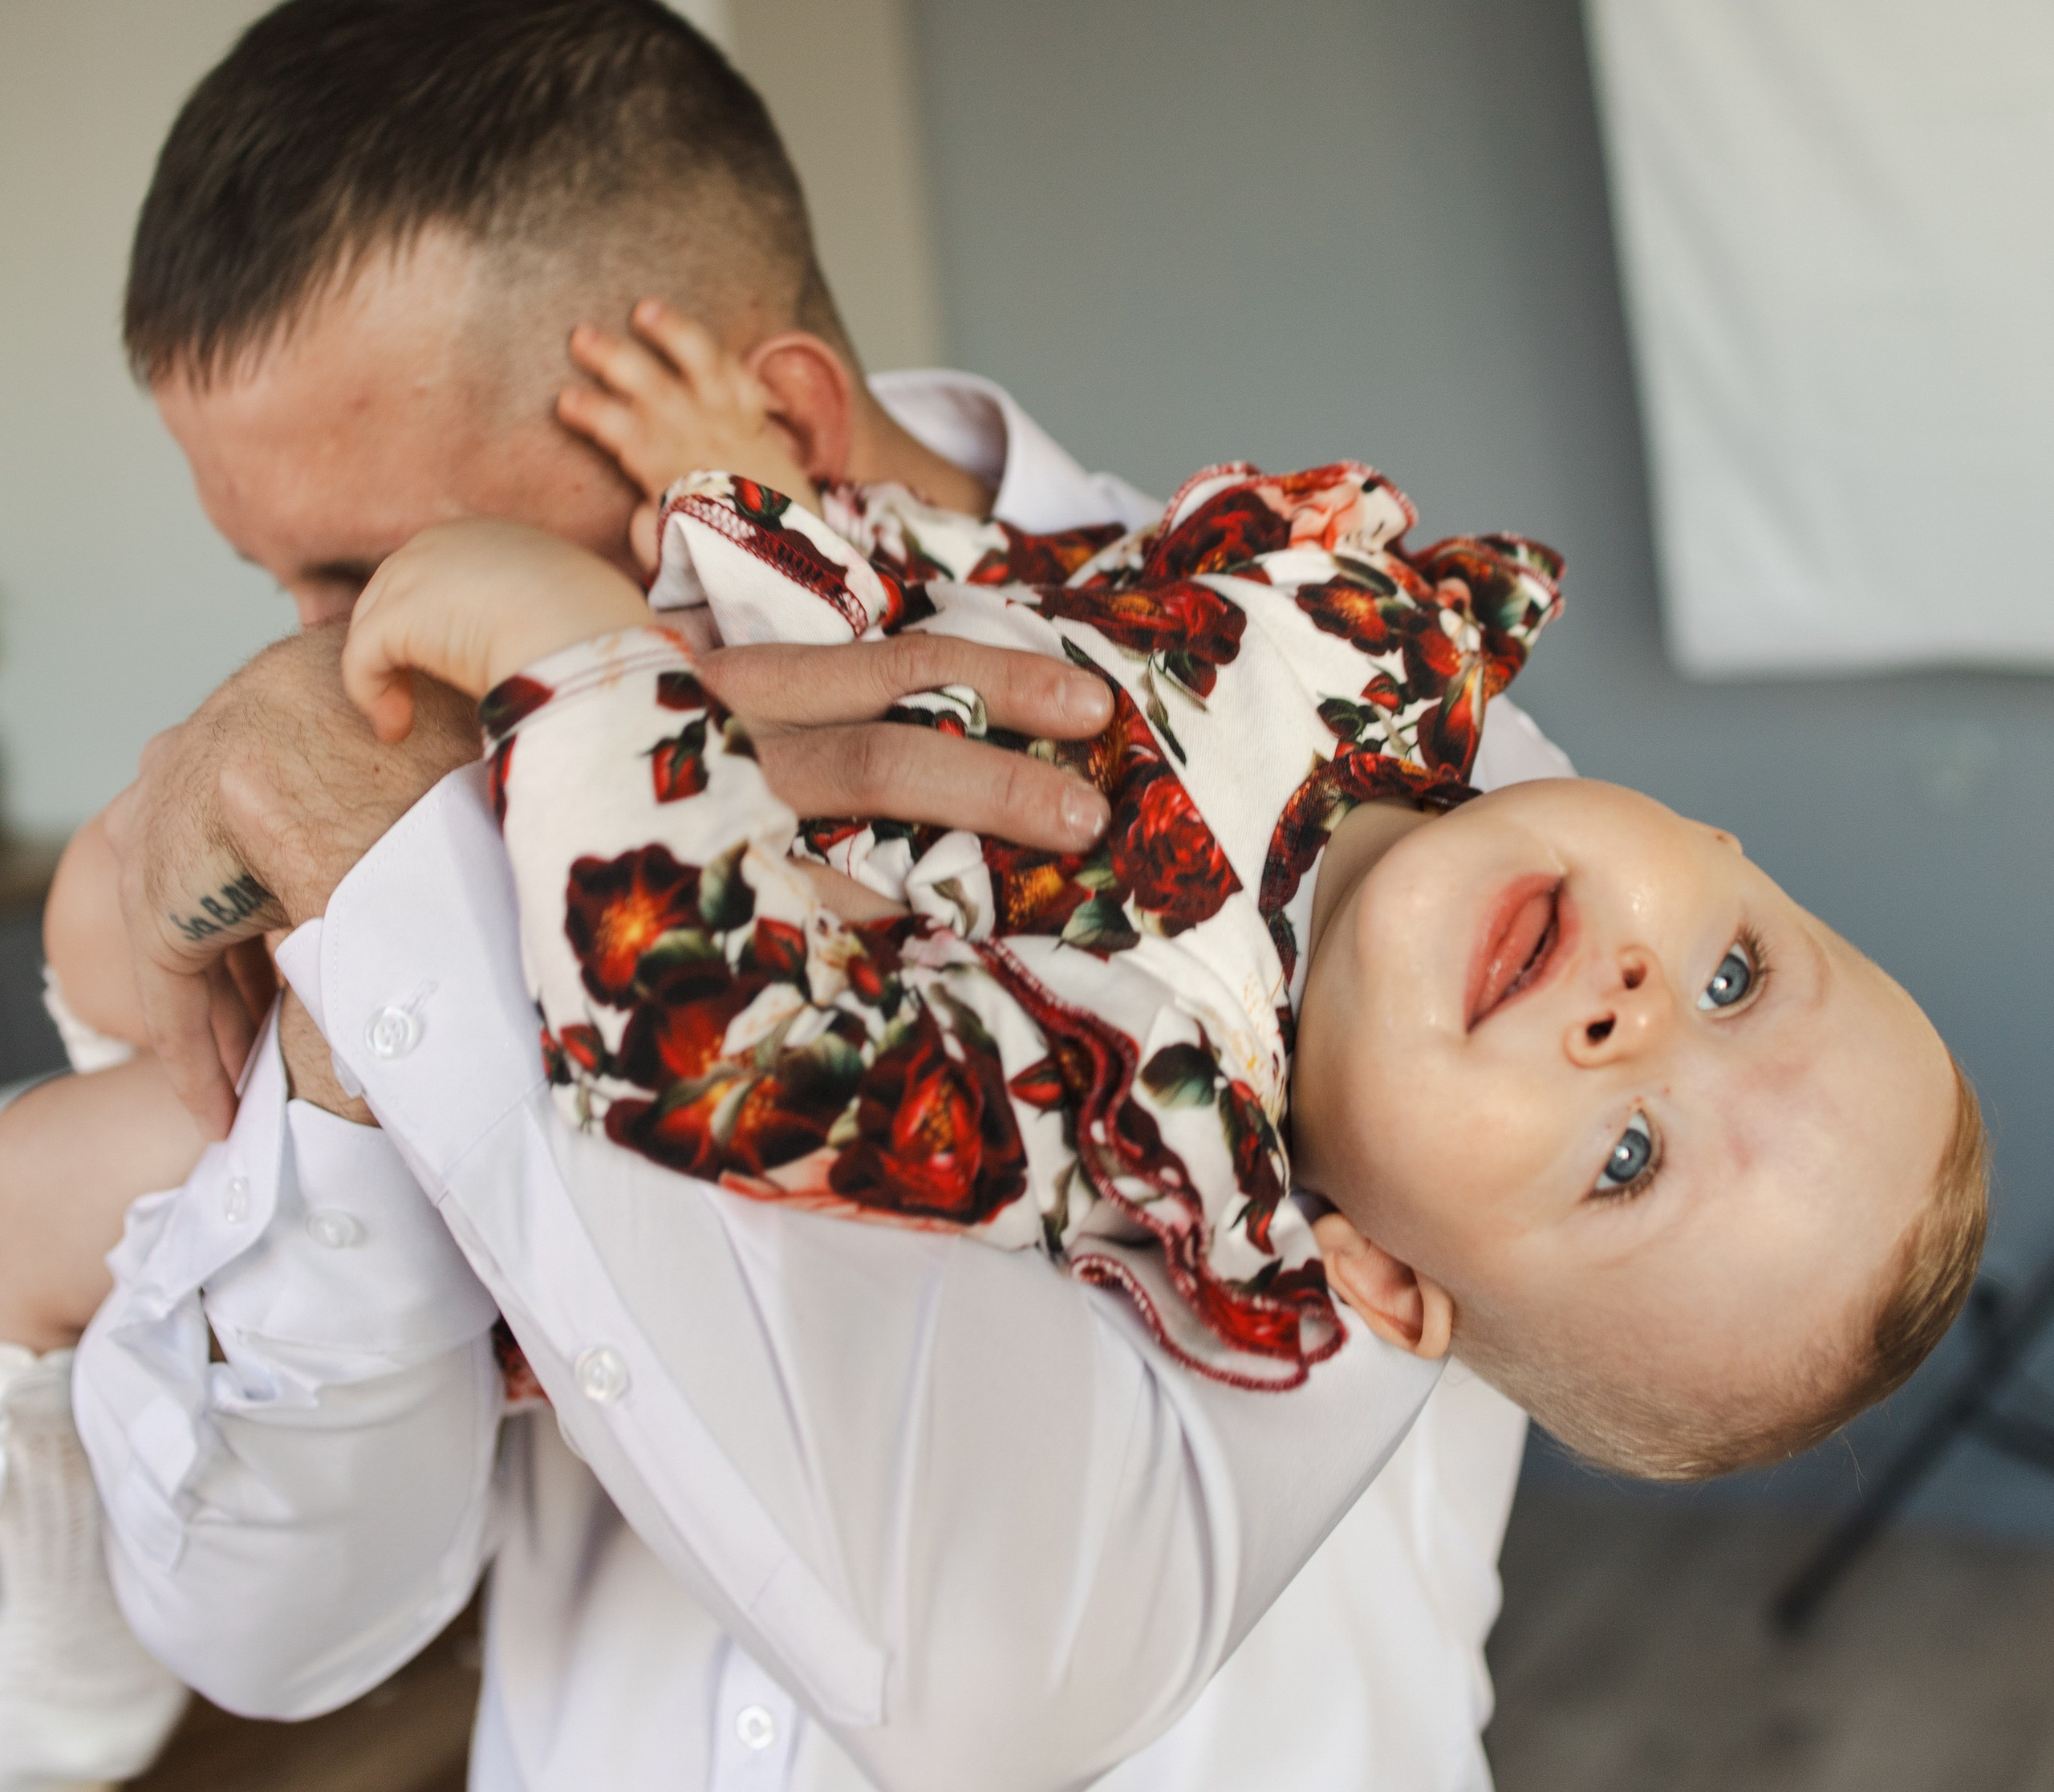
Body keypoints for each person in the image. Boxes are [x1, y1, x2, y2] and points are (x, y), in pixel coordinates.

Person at [26, 0, 1638, 1792]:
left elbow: (994, 1678)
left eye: (365, 572)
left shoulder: (1402, 819)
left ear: (743, 413)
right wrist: (363, 1029)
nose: (309, 663)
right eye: (266, 579)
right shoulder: (378, 820)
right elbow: (285, 1628)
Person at [339, 376, 1981, 1482]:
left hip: (471, 940)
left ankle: (69, 1673)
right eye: (1731, 974)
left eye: (1624, 1160)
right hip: (650, 617)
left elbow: (720, 1058)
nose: (1638, 1016)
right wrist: (786, 505)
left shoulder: (1119, 1099)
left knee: (140, 1149)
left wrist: (573, 652)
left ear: (1380, 1286)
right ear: (1711, 845)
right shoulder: (1366, 648)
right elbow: (1032, 616)